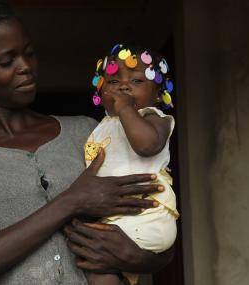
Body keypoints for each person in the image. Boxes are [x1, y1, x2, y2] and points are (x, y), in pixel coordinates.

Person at [0, 1, 173, 284]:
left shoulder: (89, 132)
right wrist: (71, 201)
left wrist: (136, 256)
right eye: (7, 61)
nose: (26, 68)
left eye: (29, 54)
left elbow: (154, 221)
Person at [83, 43, 179, 285]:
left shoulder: (154, 119)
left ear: (157, 94)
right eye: (114, 82)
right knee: (98, 271)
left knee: (99, 262)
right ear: (101, 89)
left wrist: (125, 108)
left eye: (136, 81)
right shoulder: (103, 126)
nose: (124, 86)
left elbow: (146, 145)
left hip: (146, 216)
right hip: (116, 219)